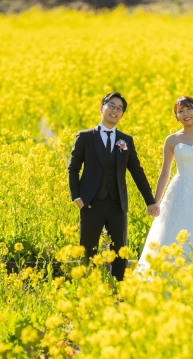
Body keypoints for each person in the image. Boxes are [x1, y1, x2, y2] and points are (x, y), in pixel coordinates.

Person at [68, 92, 160, 281]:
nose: (115, 111)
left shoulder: (126, 141)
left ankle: (121, 293)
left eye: (119, 108)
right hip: (91, 203)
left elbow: (137, 171)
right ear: (101, 108)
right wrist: (77, 198)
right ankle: (88, 291)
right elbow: (73, 168)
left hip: (118, 204)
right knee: (88, 251)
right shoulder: (85, 137)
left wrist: (150, 201)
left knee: (121, 251)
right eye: (111, 105)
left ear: (122, 114)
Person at [138, 96, 193, 269]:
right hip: (179, 192)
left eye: (189, 109)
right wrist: (154, 202)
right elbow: (165, 173)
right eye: (180, 111)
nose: (185, 114)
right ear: (176, 116)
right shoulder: (172, 140)